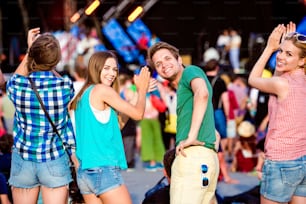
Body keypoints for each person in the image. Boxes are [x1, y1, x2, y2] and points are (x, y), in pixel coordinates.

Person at [69, 51, 151, 204]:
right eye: (106, 68)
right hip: (103, 169)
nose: (112, 73)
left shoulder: (84, 94)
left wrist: (136, 95)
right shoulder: (102, 90)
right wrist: (142, 90)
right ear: (96, 68)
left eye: (114, 69)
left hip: (85, 173)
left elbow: (116, 126)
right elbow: (138, 114)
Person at [6, 28, 77, 204]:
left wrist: (31, 52)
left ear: (33, 57)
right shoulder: (65, 86)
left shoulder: (18, 86)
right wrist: (48, 63)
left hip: (23, 158)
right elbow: (59, 78)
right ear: (57, 59)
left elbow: (16, 78)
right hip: (54, 158)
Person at [147, 41, 220, 204]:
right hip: (205, 157)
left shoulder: (190, 72)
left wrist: (192, 137)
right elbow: (216, 133)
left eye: (167, 58)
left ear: (179, 60)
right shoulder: (183, 87)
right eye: (158, 64)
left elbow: (202, 94)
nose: (164, 64)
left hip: (192, 157)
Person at [248, 22, 306, 204]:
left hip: (281, 161)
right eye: (281, 51)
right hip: (303, 159)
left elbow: (253, 79)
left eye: (289, 54)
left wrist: (270, 48)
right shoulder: (299, 81)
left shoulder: (282, 84)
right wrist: (285, 45)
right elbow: (276, 80)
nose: (280, 56)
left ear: (303, 61)